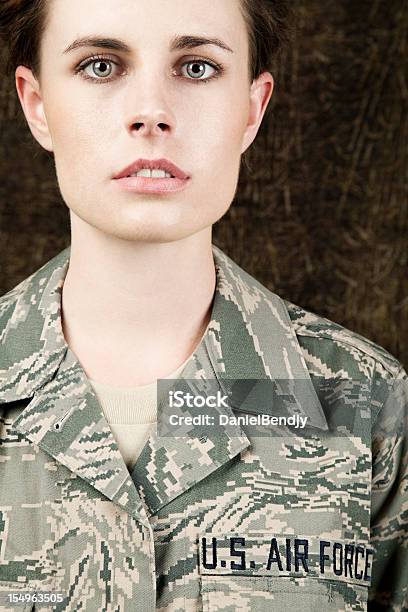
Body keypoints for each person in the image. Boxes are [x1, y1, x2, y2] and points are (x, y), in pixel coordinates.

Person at [0, 1, 406, 610]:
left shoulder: (365, 401)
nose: (151, 113)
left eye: (196, 68)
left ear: (251, 107)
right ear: (37, 105)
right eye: (101, 66)